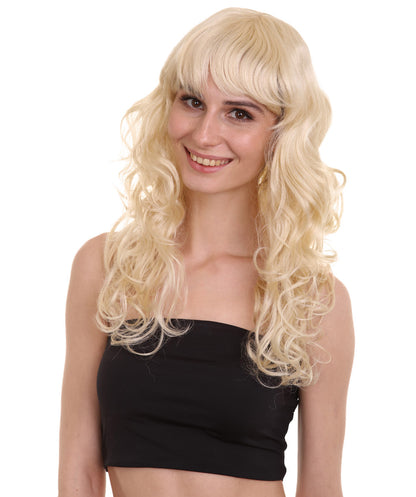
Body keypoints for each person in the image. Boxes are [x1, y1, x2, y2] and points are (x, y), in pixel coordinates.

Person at [58, 7, 354, 497]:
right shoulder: (108, 266)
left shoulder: (310, 299)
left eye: (240, 113)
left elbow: (321, 486)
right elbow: (79, 472)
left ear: (282, 134)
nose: (204, 134)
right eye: (192, 101)